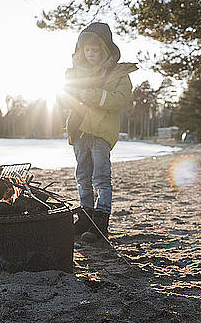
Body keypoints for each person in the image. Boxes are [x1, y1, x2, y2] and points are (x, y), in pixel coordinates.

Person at [60, 22, 137, 243]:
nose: (91, 54)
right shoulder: (75, 73)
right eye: (87, 50)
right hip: (79, 130)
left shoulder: (119, 73)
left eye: (95, 50)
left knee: (101, 178)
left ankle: (100, 222)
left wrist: (92, 95)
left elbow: (120, 99)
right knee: (82, 176)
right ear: (81, 50)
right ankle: (85, 218)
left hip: (102, 131)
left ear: (105, 49)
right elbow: (67, 97)